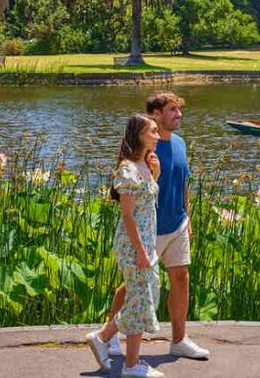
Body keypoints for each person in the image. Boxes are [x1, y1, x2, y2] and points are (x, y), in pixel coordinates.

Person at [89, 92, 210, 371]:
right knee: (135, 286)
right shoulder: (144, 153)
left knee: (180, 277)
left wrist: (187, 217)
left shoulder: (179, 144)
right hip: (149, 230)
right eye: (172, 110)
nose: (178, 115)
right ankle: (111, 337)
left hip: (177, 222)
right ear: (155, 114)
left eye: (179, 110)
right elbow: (132, 201)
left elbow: (183, 183)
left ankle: (179, 339)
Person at [86, 114, 164, 378]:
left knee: (145, 295)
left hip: (146, 242)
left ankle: (103, 337)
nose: (157, 134)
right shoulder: (128, 169)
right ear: (140, 135)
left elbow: (148, 203)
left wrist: (156, 174)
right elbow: (128, 216)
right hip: (133, 245)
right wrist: (141, 251)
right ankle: (131, 366)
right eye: (152, 130)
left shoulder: (145, 164)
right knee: (140, 299)